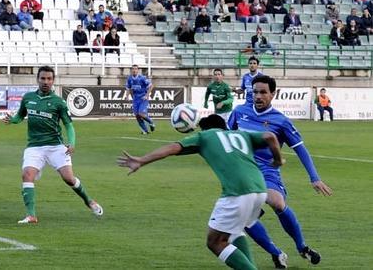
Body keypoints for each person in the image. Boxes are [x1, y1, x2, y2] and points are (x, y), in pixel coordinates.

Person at [118, 114, 284, 270]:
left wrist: (142, 160)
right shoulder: (241, 134)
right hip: (260, 190)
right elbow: (270, 136)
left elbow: (172, 148)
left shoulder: (205, 136)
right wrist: (277, 160)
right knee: (235, 230)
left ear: (205, 129)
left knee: (215, 242)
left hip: (237, 192)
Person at [228, 75, 332, 268]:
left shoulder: (280, 121)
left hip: (268, 171)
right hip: (243, 172)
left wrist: (314, 178)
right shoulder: (239, 112)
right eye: (255, 92)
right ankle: (276, 253)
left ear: (273, 94)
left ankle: (301, 247)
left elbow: (300, 148)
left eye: (263, 92)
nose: (258, 96)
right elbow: (227, 138)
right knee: (244, 216)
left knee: (276, 201)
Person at [3, 66, 103, 224]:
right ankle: (31, 215)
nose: (46, 82)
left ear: (53, 81)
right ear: (37, 79)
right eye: (43, 78)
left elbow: (68, 125)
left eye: (49, 79)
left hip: (55, 146)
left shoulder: (59, 102)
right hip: (34, 146)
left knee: (69, 179)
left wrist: (72, 143)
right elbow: (20, 116)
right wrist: (12, 120)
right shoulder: (28, 98)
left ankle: (88, 200)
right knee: (27, 174)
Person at [125, 64, 155, 134]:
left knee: (141, 113)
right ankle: (145, 130)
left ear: (138, 70)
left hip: (143, 98)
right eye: (133, 69)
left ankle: (151, 122)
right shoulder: (129, 79)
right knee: (137, 115)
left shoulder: (142, 78)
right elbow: (128, 88)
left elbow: (151, 86)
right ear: (131, 70)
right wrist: (127, 96)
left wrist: (147, 95)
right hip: (135, 99)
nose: (134, 70)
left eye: (136, 69)